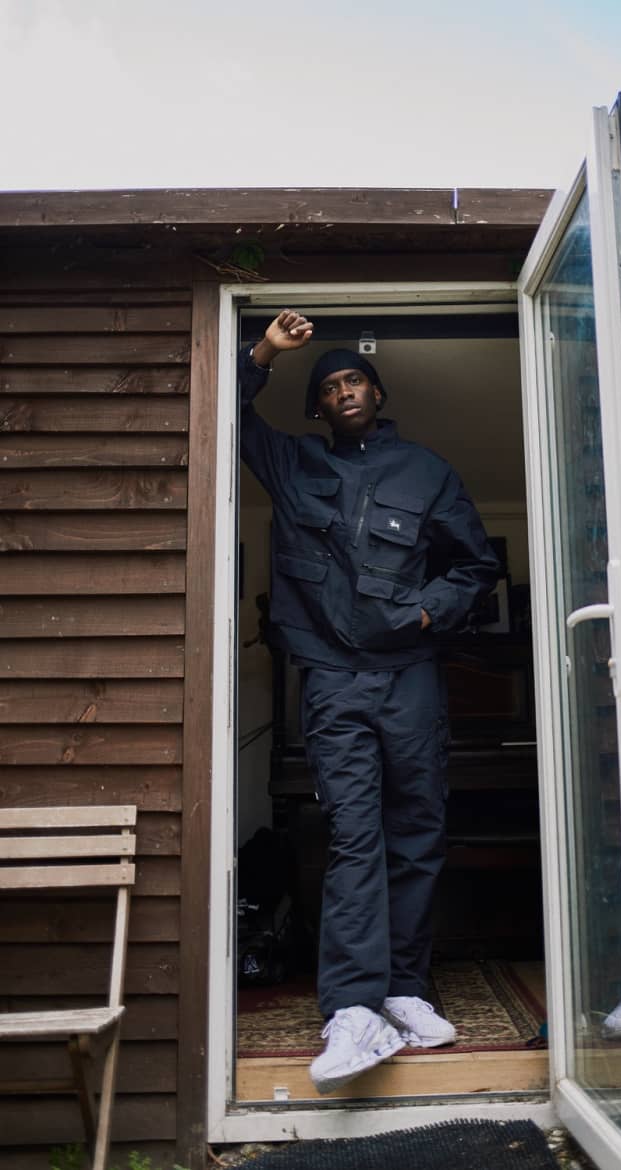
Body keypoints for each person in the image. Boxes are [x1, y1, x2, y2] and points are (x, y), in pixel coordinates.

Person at [239, 309, 500, 1094]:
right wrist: (267, 353)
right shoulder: (294, 466)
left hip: (411, 672)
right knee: (356, 835)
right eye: (329, 387)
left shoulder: (426, 471)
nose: (344, 391)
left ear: (376, 392)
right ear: (317, 407)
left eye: (354, 379)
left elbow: (474, 564)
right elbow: (230, 417)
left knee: (417, 828)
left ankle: (406, 991)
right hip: (330, 675)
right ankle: (353, 1009)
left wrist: (428, 610)